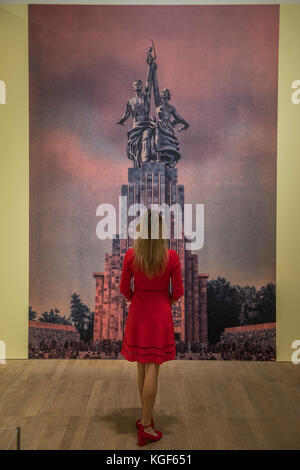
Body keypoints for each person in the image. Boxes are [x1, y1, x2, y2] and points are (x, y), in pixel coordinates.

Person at [119, 208, 184, 446]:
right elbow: (178, 293)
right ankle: (146, 425)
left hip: (138, 314)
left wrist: (138, 298)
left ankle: (145, 417)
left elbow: (124, 290)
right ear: (161, 232)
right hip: (160, 316)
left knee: (141, 367)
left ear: (140, 229)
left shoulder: (130, 256)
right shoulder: (172, 258)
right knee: (152, 369)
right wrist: (164, 301)